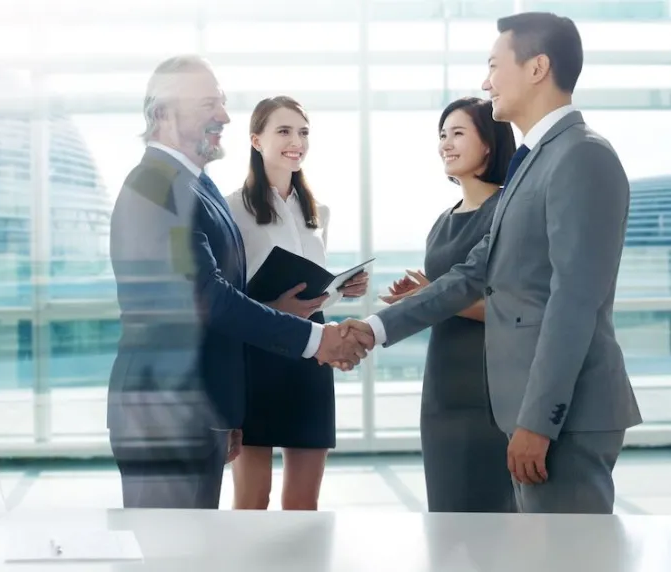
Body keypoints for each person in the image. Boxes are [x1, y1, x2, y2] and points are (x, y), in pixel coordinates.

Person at [340, 12, 642, 514]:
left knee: (567, 552)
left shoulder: (581, 156)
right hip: (527, 412)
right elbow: (470, 275)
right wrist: (373, 328)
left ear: (537, 68)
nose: (486, 82)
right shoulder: (533, 163)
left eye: (494, 66)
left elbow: (574, 302)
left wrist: (538, 422)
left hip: (564, 419)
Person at [106, 55, 371, 510]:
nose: (225, 117)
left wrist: (226, 410)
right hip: (165, 414)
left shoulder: (197, 186)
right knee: (171, 544)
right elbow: (205, 295)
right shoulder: (155, 186)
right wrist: (315, 339)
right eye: (209, 104)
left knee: (198, 542)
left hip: (199, 408)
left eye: (223, 102)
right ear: (164, 112)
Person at [226, 96, 368, 511]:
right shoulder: (232, 208)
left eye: (303, 132)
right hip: (258, 354)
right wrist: (274, 306)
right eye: (284, 131)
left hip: (310, 354)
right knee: (253, 498)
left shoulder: (318, 211)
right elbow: (224, 293)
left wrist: (342, 289)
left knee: (304, 503)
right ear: (256, 140)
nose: (297, 142)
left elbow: (312, 290)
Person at [380, 96, 517, 513]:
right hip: (442, 387)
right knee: (445, 514)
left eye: (458, 133)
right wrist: (422, 295)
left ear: (488, 144)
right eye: (442, 135)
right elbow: (443, 293)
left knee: (491, 517)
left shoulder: (507, 210)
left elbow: (511, 309)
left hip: (491, 387)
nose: (446, 144)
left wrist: (432, 296)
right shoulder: (444, 219)